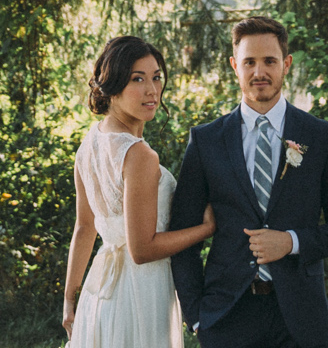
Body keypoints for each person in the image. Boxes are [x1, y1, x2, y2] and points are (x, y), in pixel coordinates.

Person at [169, 17, 328, 348]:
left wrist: (291, 241)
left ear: (286, 64)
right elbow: (182, 235)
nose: (259, 72)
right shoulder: (206, 141)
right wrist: (197, 317)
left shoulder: (320, 136)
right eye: (249, 62)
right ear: (235, 66)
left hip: (301, 322)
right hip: (226, 318)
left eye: (269, 61)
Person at [64, 34, 217, 347]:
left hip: (99, 292)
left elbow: (84, 228)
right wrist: (207, 228)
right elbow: (142, 249)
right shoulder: (139, 155)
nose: (152, 90)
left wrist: (70, 298)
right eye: (137, 79)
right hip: (139, 293)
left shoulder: (88, 144)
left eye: (156, 77)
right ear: (112, 87)